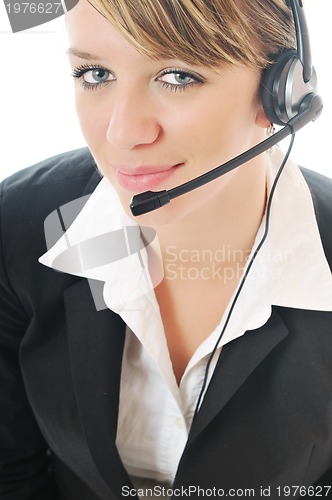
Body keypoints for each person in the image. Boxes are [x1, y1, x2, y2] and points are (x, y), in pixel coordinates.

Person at [1, 0, 332, 499]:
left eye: (177, 76)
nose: (123, 133)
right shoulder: (19, 228)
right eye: (95, 73)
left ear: (281, 92)